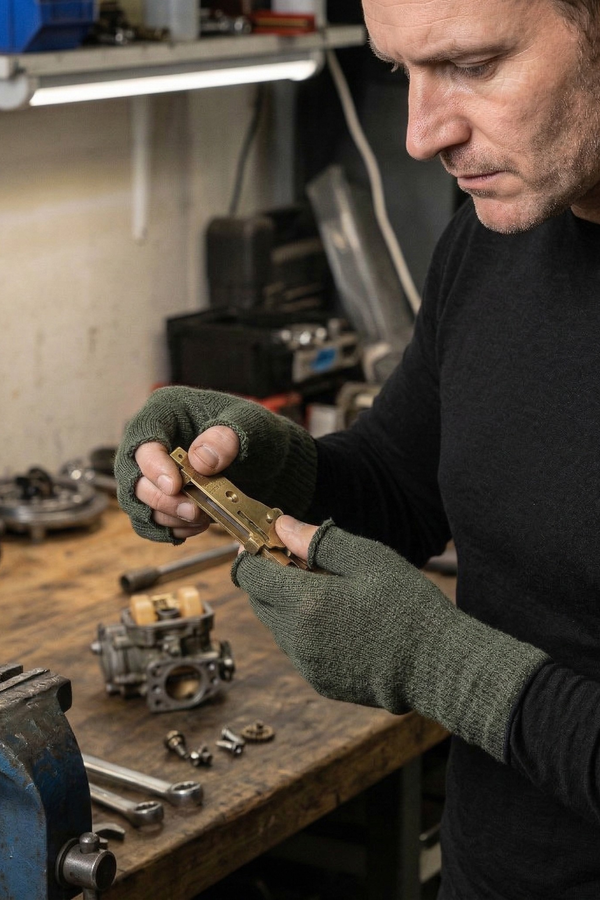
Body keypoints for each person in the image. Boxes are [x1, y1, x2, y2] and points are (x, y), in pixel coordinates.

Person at [114, 0, 600, 896]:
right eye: (399, 70)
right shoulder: (496, 235)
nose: (422, 135)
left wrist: (437, 662)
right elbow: (403, 484)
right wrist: (267, 462)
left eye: (472, 65)